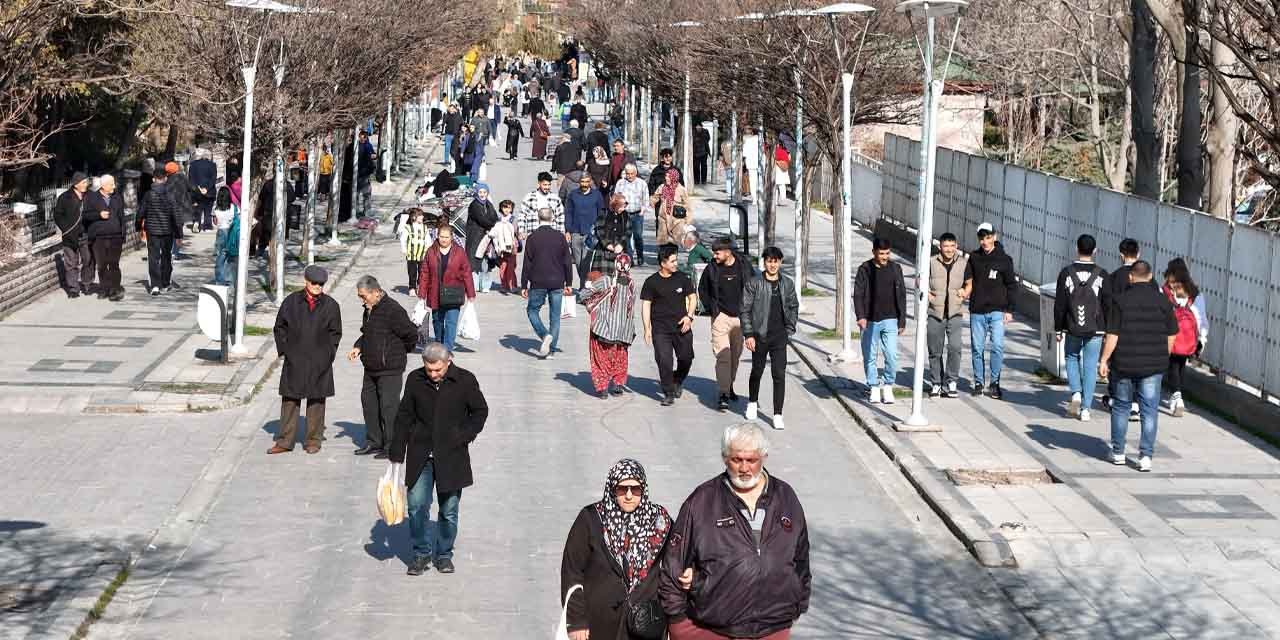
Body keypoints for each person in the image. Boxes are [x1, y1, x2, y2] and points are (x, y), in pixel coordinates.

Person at [659, 422, 810, 640]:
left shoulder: (786, 497)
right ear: (724, 458)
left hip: (773, 628)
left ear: (764, 457)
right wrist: (677, 622)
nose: (744, 468)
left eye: (751, 460)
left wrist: (798, 602)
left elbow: (801, 558)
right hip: (713, 629)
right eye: (737, 459)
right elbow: (674, 564)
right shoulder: (702, 501)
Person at [390, 341, 489, 576]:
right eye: (429, 369)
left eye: (438, 369)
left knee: (449, 510)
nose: (433, 374)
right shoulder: (415, 380)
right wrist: (396, 453)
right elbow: (404, 416)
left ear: (448, 361)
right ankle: (421, 553)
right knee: (416, 506)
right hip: (420, 454)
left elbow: (480, 411)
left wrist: (462, 435)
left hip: (452, 455)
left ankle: (444, 554)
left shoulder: (465, 380)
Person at [561, 458, 673, 639]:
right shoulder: (591, 519)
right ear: (612, 489)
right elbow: (572, 570)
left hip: (645, 625)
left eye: (635, 489)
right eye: (622, 489)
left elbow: (677, 563)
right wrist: (576, 621)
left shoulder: (660, 522)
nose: (629, 495)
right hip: (598, 625)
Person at [1098, 261, 1179, 472]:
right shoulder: (1163, 302)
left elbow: (1112, 335)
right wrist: (1164, 355)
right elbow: (1172, 333)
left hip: (1123, 363)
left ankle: (1118, 452)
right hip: (1153, 365)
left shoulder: (1120, 301)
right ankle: (1145, 457)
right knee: (1149, 410)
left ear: (1131, 278)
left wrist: (1104, 360)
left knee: (1122, 407)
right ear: (1151, 276)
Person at [268, 265, 342, 455]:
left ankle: (313, 440)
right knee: (290, 400)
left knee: (316, 401)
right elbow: (279, 328)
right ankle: (285, 441)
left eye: (321, 283)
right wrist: (286, 350)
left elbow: (336, 333)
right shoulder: (291, 302)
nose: (318, 286)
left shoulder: (331, 305)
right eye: (314, 283)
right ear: (306, 281)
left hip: (320, 360)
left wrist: (328, 354)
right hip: (295, 359)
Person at [347, 274, 417, 460]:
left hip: (390, 368)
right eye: (360, 296)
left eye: (364, 296)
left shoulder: (393, 310)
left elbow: (411, 335)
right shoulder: (368, 309)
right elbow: (367, 332)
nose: (362, 300)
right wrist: (358, 346)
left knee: (389, 407)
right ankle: (373, 441)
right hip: (370, 367)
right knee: (369, 404)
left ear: (376, 292)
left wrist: (396, 353)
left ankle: (392, 445)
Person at [741, 247, 799, 430]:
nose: (772, 264)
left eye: (776, 261)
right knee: (757, 370)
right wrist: (749, 334)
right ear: (764, 262)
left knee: (779, 374)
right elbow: (745, 310)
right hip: (759, 335)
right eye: (769, 261)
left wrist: (790, 327)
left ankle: (777, 414)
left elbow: (793, 306)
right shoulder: (754, 283)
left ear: (780, 262)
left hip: (780, 336)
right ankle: (752, 402)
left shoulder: (787, 283)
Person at [1053, 234, 1108, 421]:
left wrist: (1058, 328)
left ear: (1076, 248)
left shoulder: (1066, 273)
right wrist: (1108, 329)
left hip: (1072, 325)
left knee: (1071, 356)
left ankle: (1076, 391)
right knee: (1091, 366)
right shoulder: (1102, 274)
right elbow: (1107, 304)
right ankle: (1085, 409)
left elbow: (1060, 304)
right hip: (1097, 328)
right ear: (1095, 251)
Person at [698, 237, 754, 412]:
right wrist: (712, 310)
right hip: (720, 317)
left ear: (728, 252)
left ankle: (729, 386)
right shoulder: (712, 269)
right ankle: (723, 393)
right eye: (714, 252)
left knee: (735, 356)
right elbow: (703, 289)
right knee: (723, 355)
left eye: (717, 252)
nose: (714, 256)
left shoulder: (744, 266)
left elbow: (754, 286)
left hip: (741, 318)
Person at [965, 222, 1018, 399]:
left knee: (997, 346)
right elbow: (968, 281)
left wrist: (1009, 309)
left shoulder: (1005, 260)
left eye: (988, 238)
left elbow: (1011, 285)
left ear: (994, 237)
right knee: (977, 348)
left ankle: (994, 383)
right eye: (982, 238)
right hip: (977, 310)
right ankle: (979, 382)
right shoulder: (973, 257)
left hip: (997, 311)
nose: (985, 242)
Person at [641, 245, 697, 406]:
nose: (676, 264)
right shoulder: (651, 282)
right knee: (664, 360)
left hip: (682, 327)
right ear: (663, 263)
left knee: (686, 358)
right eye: (672, 261)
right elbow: (646, 305)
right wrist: (647, 328)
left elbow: (692, 298)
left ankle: (677, 380)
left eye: (676, 260)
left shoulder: (683, 278)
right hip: (661, 330)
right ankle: (668, 392)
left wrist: (689, 317)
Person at [854, 238, 907, 404]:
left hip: (890, 319)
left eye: (887, 253)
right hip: (869, 320)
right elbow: (858, 294)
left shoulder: (896, 268)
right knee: (869, 355)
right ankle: (874, 386)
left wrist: (902, 320)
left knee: (891, 355)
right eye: (881, 253)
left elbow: (902, 295)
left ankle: (888, 385)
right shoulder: (865, 269)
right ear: (874, 252)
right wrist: (861, 316)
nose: (884, 257)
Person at [581, 255, 639, 398]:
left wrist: (589, 292)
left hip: (603, 327)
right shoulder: (633, 285)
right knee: (620, 356)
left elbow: (583, 295)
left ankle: (602, 387)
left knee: (600, 356)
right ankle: (618, 383)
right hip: (624, 330)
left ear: (615, 265)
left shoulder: (606, 280)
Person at [1101, 238, 1145, 419]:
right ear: (1139, 254)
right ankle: (1135, 402)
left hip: (1118, 327)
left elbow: (1106, 303)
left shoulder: (1114, 277)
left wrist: (1106, 328)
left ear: (1121, 255)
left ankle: (1115, 398)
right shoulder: (1146, 276)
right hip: (1141, 328)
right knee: (1138, 365)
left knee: (1116, 363)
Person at [522, 208, 574, 359]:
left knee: (532, 311)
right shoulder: (560, 237)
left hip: (538, 281)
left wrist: (524, 285)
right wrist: (569, 282)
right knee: (555, 317)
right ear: (552, 218)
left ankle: (544, 335)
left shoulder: (532, 238)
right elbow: (567, 262)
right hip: (557, 281)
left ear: (538, 218)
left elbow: (527, 263)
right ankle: (551, 350)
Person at [418, 224, 476, 352]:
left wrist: (471, 293)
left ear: (451, 237)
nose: (443, 239)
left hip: (453, 293)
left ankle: (447, 350)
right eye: (441, 236)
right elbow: (424, 273)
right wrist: (421, 294)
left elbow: (467, 272)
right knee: (437, 322)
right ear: (437, 236)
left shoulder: (459, 252)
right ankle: (440, 342)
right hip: (435, 293)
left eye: (446, 237)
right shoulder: (431, 251)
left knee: (451, 323)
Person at [1162, 259, 1207, 418]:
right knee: (1180, 366)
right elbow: (1201, 318)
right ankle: (1176, 395)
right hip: (1188, 339)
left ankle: (1177, 397)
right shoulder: (1195, 294)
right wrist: (1202, 339)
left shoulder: (1166, 291)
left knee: (1172, 366)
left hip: (1170, 335)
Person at [927, 233, 970, 398]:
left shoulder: (963, 263)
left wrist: (965, 292)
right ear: (940, 247)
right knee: (934, 350)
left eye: (952, 246)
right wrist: (928, 294)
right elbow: (919, 279)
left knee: (955, 348)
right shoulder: (931, 262)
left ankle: (951, 381)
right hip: (935, 313)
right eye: (946, 246)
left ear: (956, 246)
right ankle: (936, 383)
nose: (949, 249)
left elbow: (970, 283)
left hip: (955, 312)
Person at [137, 168, 181, 295]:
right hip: (168, 231)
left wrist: (138, 226)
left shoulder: (148, 195)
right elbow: (176, 215)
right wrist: (179, 234)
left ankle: (155, 285)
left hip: (152, 231)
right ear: (166, 179)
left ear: (153, 179)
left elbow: (141, 212)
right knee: (166, 256)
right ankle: (165, 282)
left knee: (153, 257)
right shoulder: (170, 195)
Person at [81, 174, 126, 301]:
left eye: (114, 183)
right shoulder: (92, 198)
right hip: (99, 237)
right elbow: (85, 216)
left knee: (114, 264)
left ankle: (115, 290)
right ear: (103, 186)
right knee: (101, 265)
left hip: (115, 236)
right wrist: (98, 215)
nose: (114, 186)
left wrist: (123, 234)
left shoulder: (117, 197)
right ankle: (104, 288)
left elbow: (122, 216)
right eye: (111, 184)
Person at [54, 172, 93, 298]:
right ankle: (73, 289)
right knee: (71, 263)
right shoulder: (64, 198)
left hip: (86, 234)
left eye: (86, 182)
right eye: (83, 182)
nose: (86, 184)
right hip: (70, 236)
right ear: (76, 184)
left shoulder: (90, 196)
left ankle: (87, 284)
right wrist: (66, 230)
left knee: (88, 260)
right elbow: (57, 215)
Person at [565, 173, 606, 287]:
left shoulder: (596, 195)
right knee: (578, 262)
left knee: (586, 262)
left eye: (587, 182)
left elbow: (601, 213)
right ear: (579, 182)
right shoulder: (573, 195)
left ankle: (583, 287)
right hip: (576, 231)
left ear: (590, 182)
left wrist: (600, 230)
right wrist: (567, 230)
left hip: (591, 234)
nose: (584, 184)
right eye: (582, 182)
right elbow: (568, 212)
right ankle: (585, 284)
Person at [466, 184, 500, 294]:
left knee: (486, 260)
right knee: (474, 261)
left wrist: (492, 225)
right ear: (476, 193)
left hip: (486, 235)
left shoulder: (488, 204)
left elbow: (494, 216)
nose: (482, 195)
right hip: (475, 235)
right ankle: (474, 285)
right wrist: (492, 226)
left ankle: (484, 285)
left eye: (484, 192)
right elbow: (482, 219)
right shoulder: (474, 205)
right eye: (480, 192)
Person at [614, 164, 649, 265]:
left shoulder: (642, 183)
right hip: (624, 214)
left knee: (638, 235)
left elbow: (645, 199)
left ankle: (640, 256)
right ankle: (629, 259)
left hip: (637, 214)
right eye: (627, 174)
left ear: (636, 173)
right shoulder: (621, 183)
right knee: (626, 237)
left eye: (631, 174)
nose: (629, 176)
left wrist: (643, 210)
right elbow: (616, 197)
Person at [651, 168, 691, 250]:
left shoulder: (681, 189)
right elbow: (655, 197)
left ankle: (673, 259)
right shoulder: (662, 187)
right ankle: (662, 260)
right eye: (666, 176)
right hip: (663, 219)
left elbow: (688, 205)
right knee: (663, 243)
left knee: (674, 243)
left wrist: (687, 221)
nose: (666, 178)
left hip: (676, 221)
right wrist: (651, 202)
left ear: (674, 178)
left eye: (669, 177)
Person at [518, 171, 566, 237]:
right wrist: (521, 231)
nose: (547, 187)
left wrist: (561, 233)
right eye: (544, 185)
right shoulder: (529, 198)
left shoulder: (555, 199)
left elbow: (560, 217)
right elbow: (522, 215)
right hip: (533, 233)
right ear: (539, 183)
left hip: (551, 235)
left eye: (549, 185)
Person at [399, 208, 430, 294]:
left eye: (422, 215)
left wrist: (428, 247)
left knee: (422, 271)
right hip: (411, 254)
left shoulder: (424, 228)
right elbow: (403, 239)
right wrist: (404, 249)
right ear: (414, 217)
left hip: (422, 254)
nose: (422, 217)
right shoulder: (408, 228)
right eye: (420, 215)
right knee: (412, 272)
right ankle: (412, 287)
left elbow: (428, 239)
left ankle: (420, 286)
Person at [492, 199, 519, 294]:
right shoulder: (498, 220)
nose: (507, 210)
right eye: (505, 207)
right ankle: (504, 285)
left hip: (511, 246)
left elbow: (516, 232)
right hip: (501, 246)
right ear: (501, 208)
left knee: (511, 266)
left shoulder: (513, 219)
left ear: (512, 209)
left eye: (509, 208)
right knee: (503, 266)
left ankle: (513, 285)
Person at [210, 186, 236, 286]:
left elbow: (215, 222)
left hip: (221, 232)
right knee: (230, 257)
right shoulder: (233, 207)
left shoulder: (215, 208)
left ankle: (219, 279)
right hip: (231, 232)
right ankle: (229, 279)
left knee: (220, 257)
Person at [188, 148, 218, 231]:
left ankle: (196, 222)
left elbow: (191, 179)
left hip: (196, 191)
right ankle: (207, 225)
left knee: (197, 208)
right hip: (209, 191)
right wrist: (207, 189)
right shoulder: (212, 165)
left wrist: (198, 188)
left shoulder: (193, 165)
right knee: (208, 209)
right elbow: (213, 179)